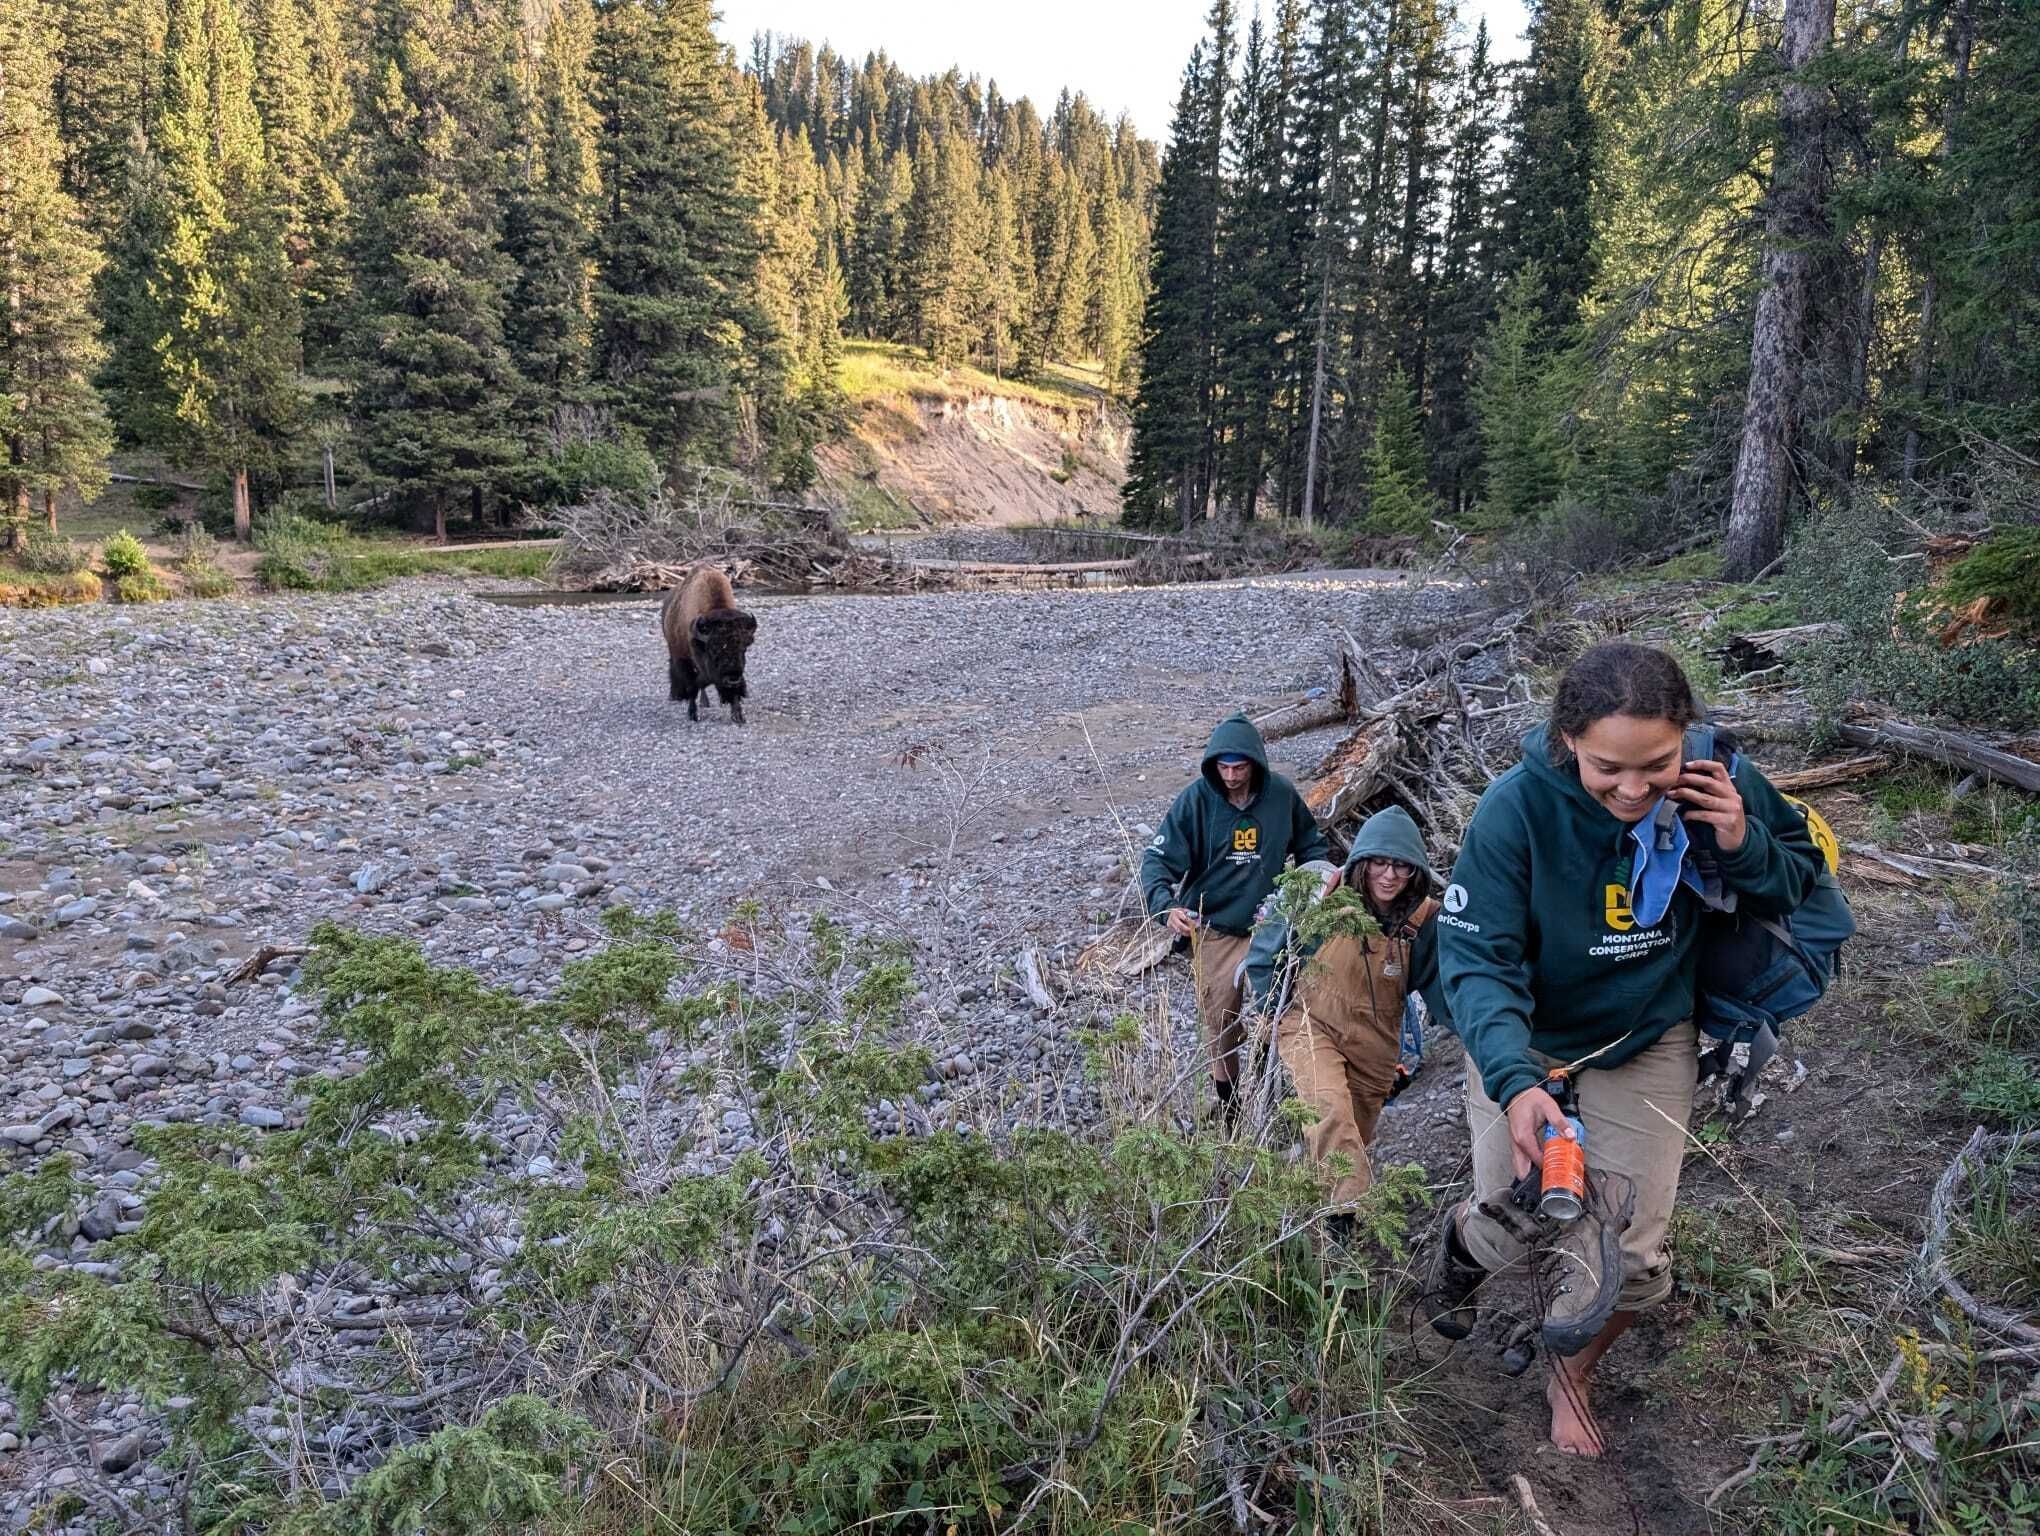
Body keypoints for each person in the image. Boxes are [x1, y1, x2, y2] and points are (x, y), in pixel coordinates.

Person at [1425, 641, 1822, 1457]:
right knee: (1518, 1221)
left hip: (1646, 1034)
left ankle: (1571, 1375)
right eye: (1610, 767)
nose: (1635, 790)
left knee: (1633, 1258)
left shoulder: (1719, 777)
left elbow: (1795, 885)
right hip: (1528, 1037)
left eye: (1657, 765)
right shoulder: (1515, 810)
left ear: (1685, 736)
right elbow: (1476, 962)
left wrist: (1743, 840)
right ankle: (1463, 1250)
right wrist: (1512, 1079)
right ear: (1569, 738)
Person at [1242, 805, 1444, 1237]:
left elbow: (1442, 989)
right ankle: (1342, 1229)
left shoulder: (1424, 921)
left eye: (1402, 866)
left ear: (1416, 871)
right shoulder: (1325, 896)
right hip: (1310, 1022)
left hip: (1378, 1040)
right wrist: (1268, 1010)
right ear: (1363, 862)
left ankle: (1310, 1216)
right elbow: (1265, 957)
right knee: (1328, 1108)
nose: (1389, 876)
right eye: (1379, 863)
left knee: (1354, 1131)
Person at [1141, 712, 1329, 1118]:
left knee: (1278, 1013)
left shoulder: (1280, 795)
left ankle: (1272, 1095)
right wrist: (1166, 907)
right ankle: (1230, 1110)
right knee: (1220, 1023)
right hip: (1215, 928)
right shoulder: (1196, 800)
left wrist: (1311, 892)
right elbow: (1157, 861)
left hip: (1272, 924)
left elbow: (1313, 847)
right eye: (1223, 767)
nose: (1230, 776)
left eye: (1239, 767)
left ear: (1255, 764)